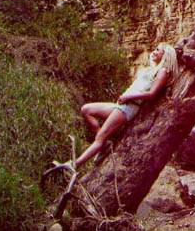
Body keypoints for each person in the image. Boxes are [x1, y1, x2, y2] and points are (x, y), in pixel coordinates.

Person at [48, 43, 179, 175]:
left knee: (99, 137)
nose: (155, 52)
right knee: (86, 110)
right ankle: (103, 144)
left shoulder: (163, 71)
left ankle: (74, 165)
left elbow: (152, 94)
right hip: (122, 105)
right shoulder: (153, 69)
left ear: (166, 55)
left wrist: (129, 96)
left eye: (158, 50)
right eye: (155, 49)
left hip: (129, 107)